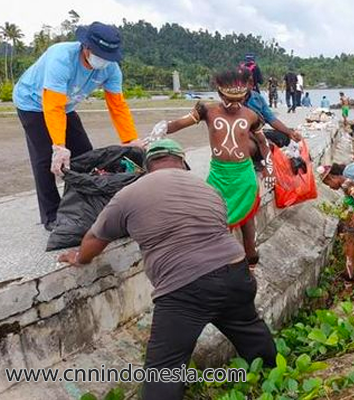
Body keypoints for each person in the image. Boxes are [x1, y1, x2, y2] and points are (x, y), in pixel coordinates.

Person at [58, 139, 276, 400]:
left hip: (184, 289)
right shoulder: (208, 189)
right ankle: (275, 379)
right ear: (183, 162)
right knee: (249, 327)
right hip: (235, 272)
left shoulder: (129, 193)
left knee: (165, 368)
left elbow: (95, 237)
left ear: (147, 166)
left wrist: (80, 258)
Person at [12, 21, 142, 231]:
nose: (104, 60)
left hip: (65, 106)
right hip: (32, 103)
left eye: (109, 57)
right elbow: (52, 105)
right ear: (86, 47)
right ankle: (52, 215)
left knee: (84, 152)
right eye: (100, 54)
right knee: (46, 159)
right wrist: (59, 145)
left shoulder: (111, 69)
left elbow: (117, 105)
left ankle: (81, 204)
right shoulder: (61, 57)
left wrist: (130, 140)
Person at [147, 69, 274, 269]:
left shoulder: (251, 115)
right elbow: (180, 123)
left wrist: (269, 168)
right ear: (220, 93)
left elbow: (263, 143)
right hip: (218, 176)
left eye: (240, 99)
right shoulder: (207, 111)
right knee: (217, 219)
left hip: (244, 177)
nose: (234, 105)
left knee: (248, 222)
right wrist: (162, 128)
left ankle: (251, 263)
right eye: (229, 99)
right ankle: (225, 265)